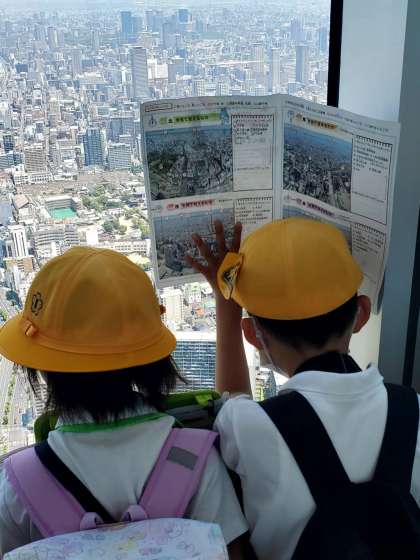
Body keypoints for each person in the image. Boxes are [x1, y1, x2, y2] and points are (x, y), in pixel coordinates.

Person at [187, 217, 420, 560]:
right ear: (361, 313)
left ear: (253, 335)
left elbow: (231, 401)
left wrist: (226, 304)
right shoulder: (414, 410)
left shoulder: (250, 424)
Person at [0, 247, 248, 557]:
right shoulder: (195, 459)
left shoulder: (20, 483)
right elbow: (229, 552)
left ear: (42, 366)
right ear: (153, 361)